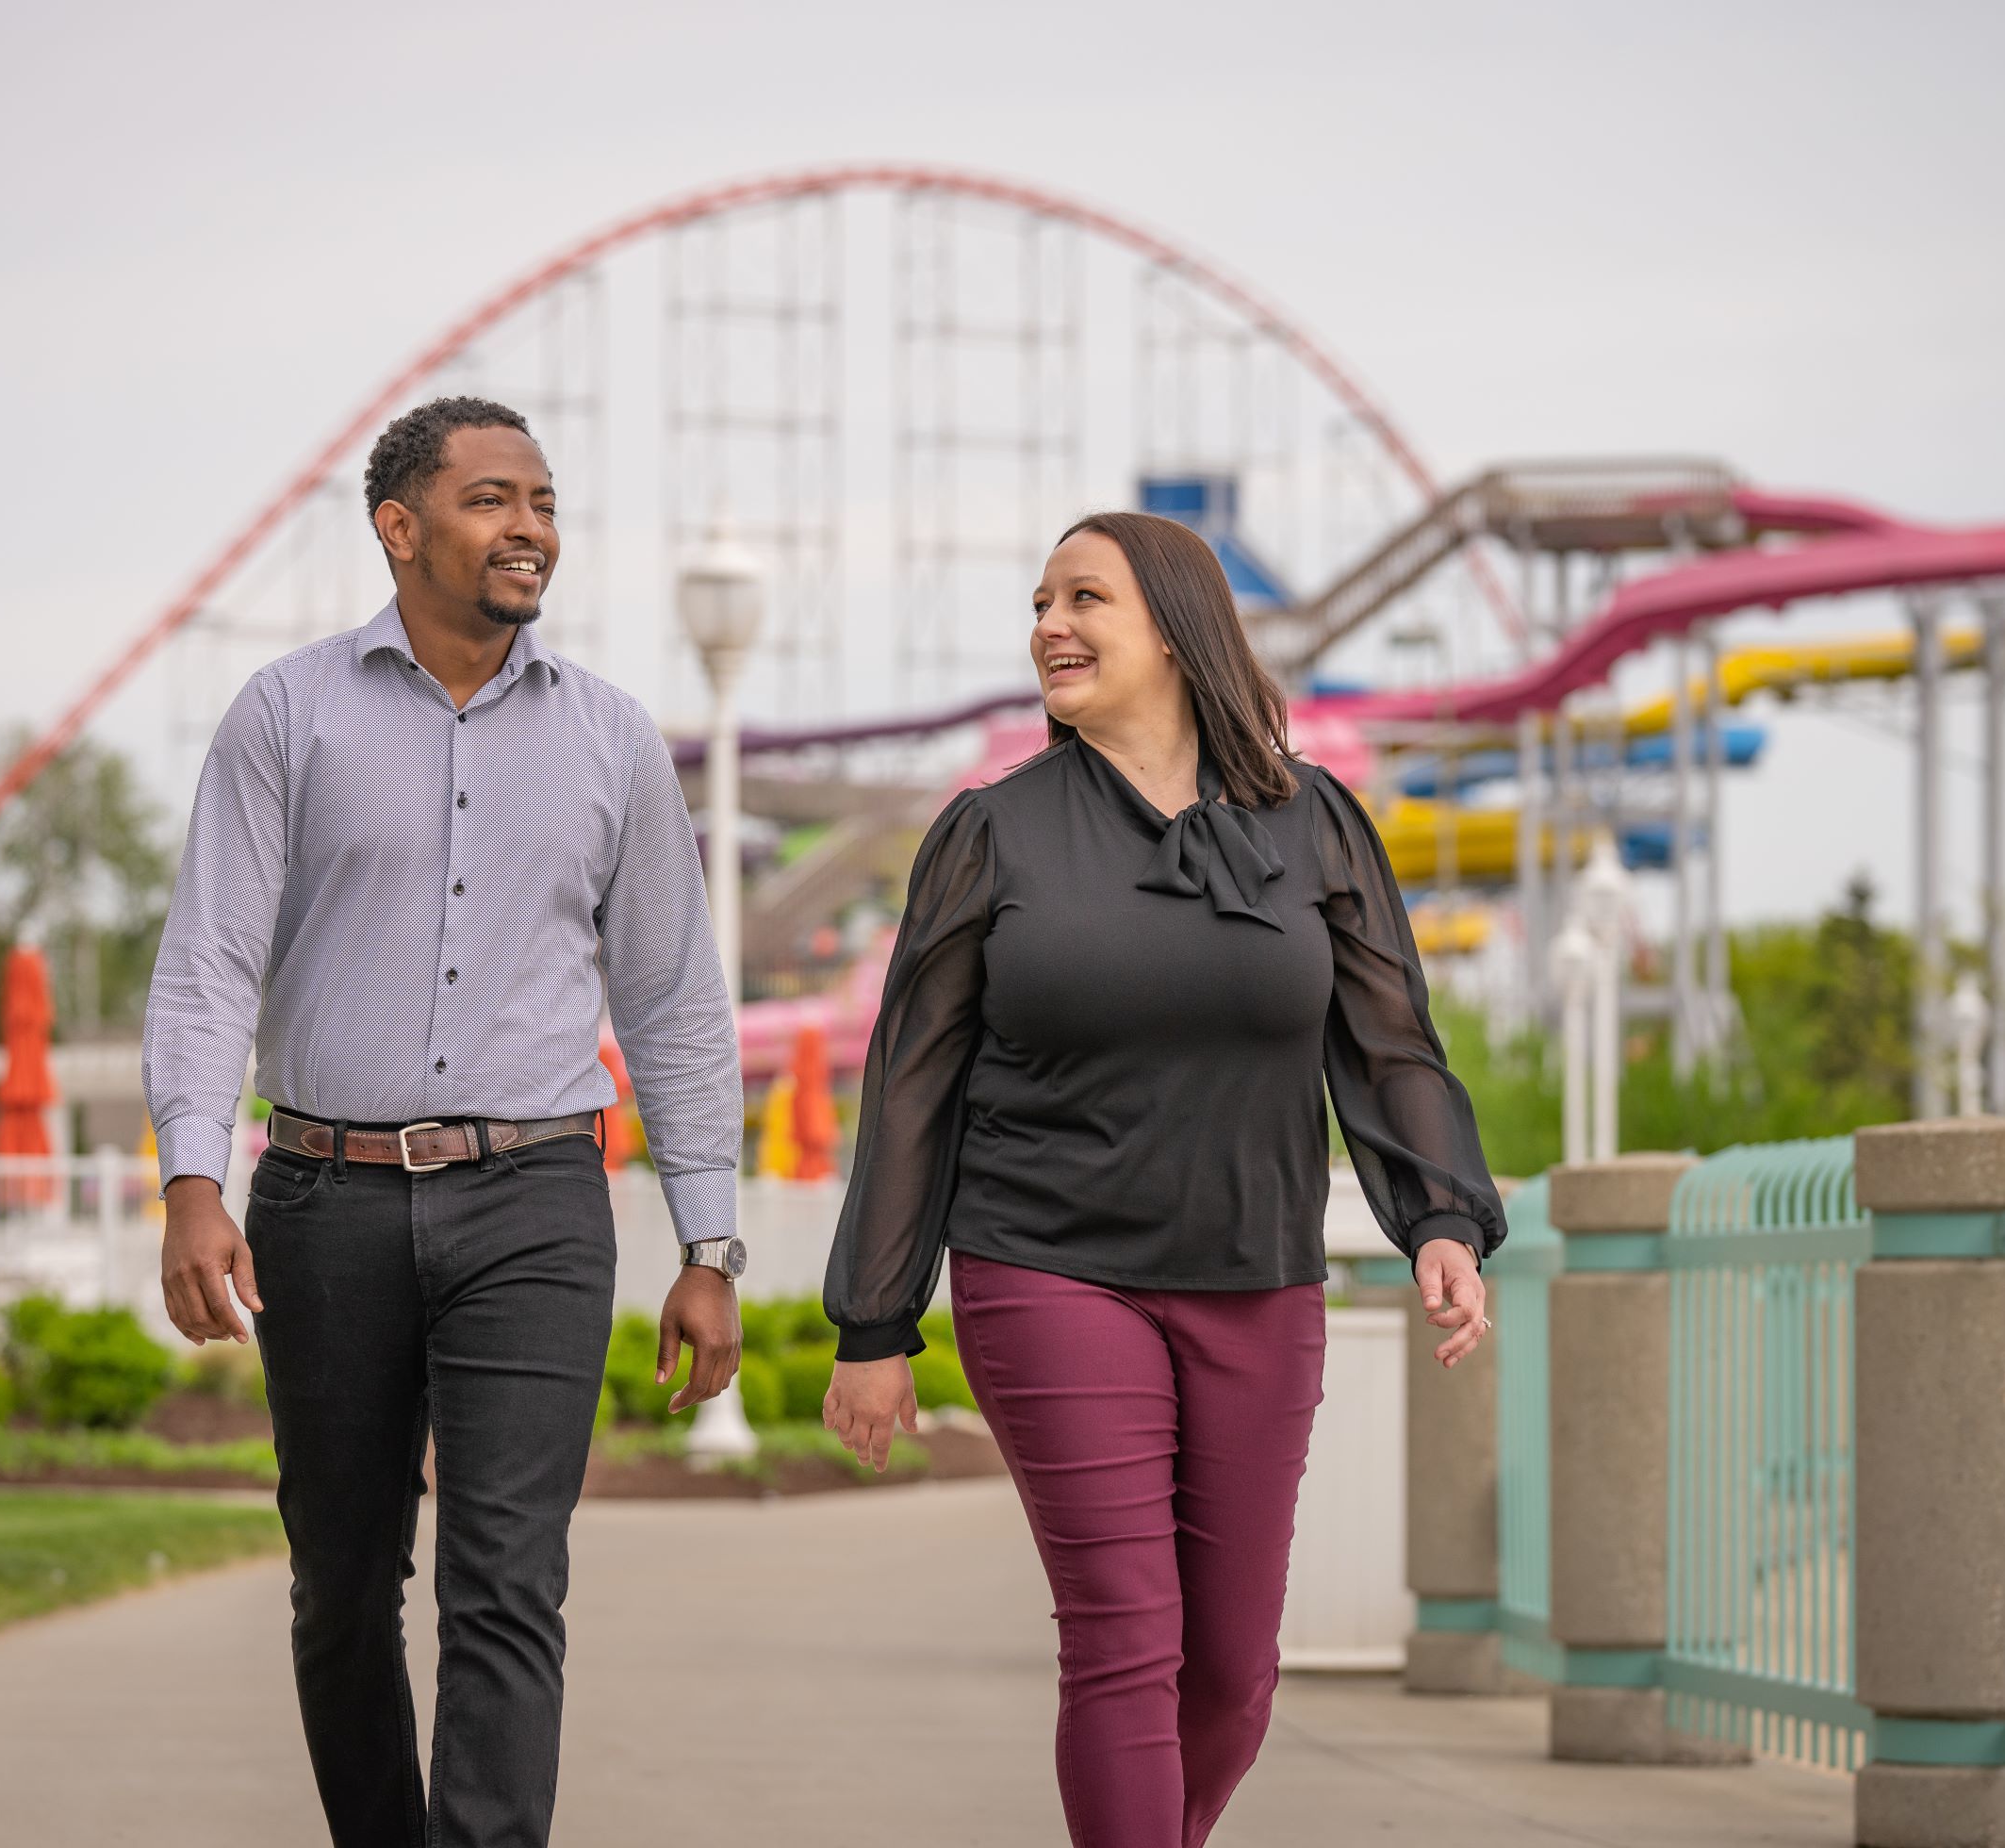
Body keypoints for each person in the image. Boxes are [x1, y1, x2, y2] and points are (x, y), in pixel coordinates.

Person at [821, 509, 1504, 1848]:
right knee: (1126, 1644)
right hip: (1049, 1269)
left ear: (1180, 632)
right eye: (1038, 603)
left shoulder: (1315, 826)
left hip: (1258, 1280)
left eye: (1086, 599)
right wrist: (874, 1324)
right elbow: (911, 1082)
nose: (1048, 626)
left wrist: (1441, 1217)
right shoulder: (992, 835)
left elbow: (1388, 1040)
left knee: (1235, 1674)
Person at [143, 396, 748, 1848]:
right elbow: (212, 957)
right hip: (324, 1200)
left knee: (508, 1581)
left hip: (536, 1200)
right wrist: (191, 1176)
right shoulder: (286, 716)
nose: (529, 527)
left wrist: (710, 1240)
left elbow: (672, 998)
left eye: (542, 500)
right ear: (399, 529)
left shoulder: (610, 741)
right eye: (491, 500)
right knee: (342, 1584)